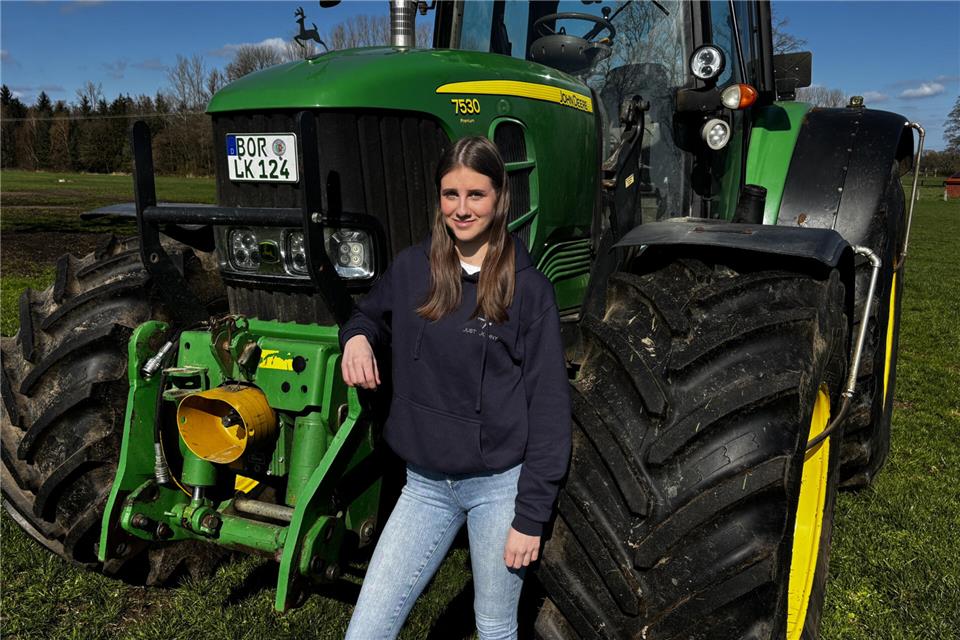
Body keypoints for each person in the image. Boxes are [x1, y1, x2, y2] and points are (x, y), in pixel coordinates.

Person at [339, 136, 571, 640]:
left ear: (499, 198)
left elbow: (550, 410)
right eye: (450, 195)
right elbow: (367, 314)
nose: (461, 209)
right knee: (366, 630)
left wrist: (530, 518)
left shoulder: (529, 291)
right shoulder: (412, 268)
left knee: (493, 627)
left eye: (475, 195)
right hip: (423, 485)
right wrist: (357, 339)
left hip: (498, 487)